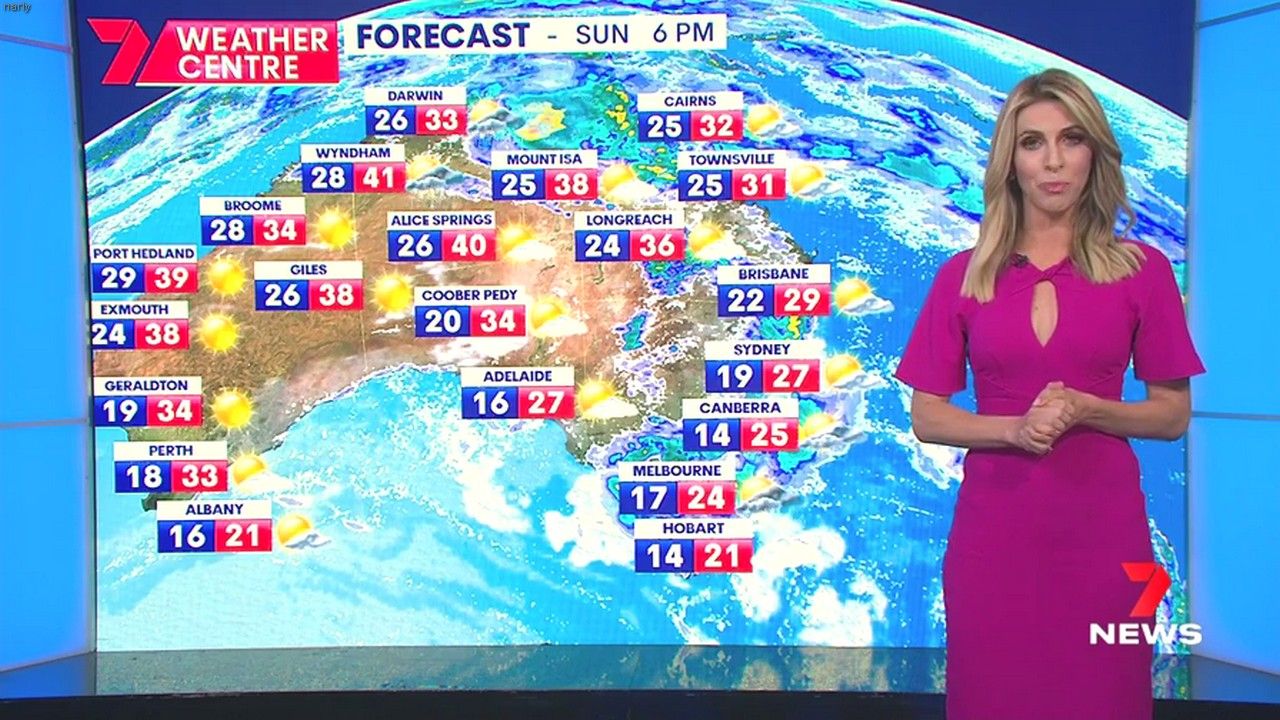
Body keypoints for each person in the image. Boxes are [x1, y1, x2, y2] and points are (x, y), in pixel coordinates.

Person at [893, 68, 1205, 719]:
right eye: (1033, 143)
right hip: (994, 544)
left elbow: (1172, 415)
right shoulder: (963, 276)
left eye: (1072, 139)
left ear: (1095, 153)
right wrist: (1011, 430)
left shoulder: (1143, 271)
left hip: (1106, 544)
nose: (1054, 161)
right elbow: (928, 415)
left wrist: (1090, 409)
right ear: (1011, 162)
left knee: (1108, 698)